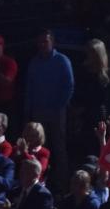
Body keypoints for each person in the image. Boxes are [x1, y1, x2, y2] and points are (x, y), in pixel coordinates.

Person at [23, 31, 75, 173]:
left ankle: (61, 180)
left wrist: (60, 106)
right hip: (38, 111)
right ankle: (40, 175)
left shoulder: (62, 60)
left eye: (45, 42)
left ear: (52, 42)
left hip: (57, 111)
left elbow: (69, 86)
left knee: (59, 146)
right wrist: (28, 109)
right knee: (38, 145)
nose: (42, 45)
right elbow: (30, 87)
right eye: (39, 42)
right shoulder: (34, 62)